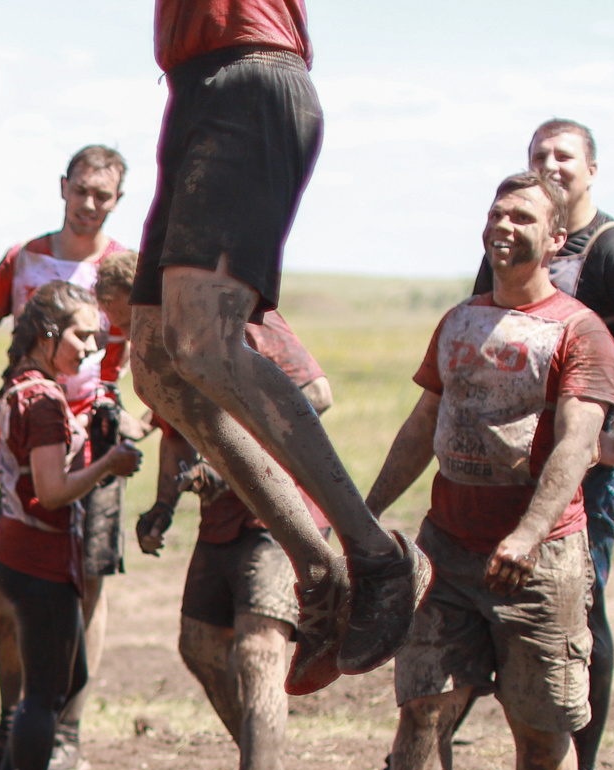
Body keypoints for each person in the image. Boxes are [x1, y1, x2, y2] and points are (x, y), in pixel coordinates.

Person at [339, 118, 614, 770]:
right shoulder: (513, 241)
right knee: (459, 611)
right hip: (487, 473)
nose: (551, 164)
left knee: (574, 620)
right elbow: (475, 334)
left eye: (565, 155)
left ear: (593, 169)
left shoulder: (612, 246)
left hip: (577, 468)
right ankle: (406, 768)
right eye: (539, 155)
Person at [342, 173, 614, 770]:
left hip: (540, 564)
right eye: (496, 210)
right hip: (448, 554)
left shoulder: (579, 331)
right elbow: (421, 426)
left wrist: (527, 535)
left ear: (555, 238)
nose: (503, 222)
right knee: (422, 712)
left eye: (522, 215)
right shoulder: (460, 322)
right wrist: (364, 515)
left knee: (540, 730)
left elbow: (576, 446)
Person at [126, 0, 429, 700]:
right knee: (158, 364)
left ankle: (377, 554)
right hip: (195, 88)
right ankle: (318, 570)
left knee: (205, 340)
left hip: (251, 80)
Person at [0, 145, 131, 770]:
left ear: (118, 201)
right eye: (81, 190)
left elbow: (150, 341)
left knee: (88, 583)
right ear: (63, 187)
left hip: (98, 433)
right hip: (29, 428)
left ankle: (65, 729)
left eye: (103, 196)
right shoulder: (23, 258)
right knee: (13, 583)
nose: (89, 205)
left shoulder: (123, 267)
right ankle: (13, 721)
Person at [155, 309, 331, 770]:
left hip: (279, 515)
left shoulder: (251, 321)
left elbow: (316, 394)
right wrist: (163, 504)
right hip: (221, 521)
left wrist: (234, 458)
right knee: (200, 645)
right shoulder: (166, 333)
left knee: (259, 653)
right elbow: (172, 432)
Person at [0, 281, 142, 770]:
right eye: (81, 335)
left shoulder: (20, 388)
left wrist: (91, 447)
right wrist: (110, 464)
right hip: (39, 557)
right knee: (46, 692)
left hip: (16, 551)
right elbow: (50, 492)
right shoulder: (45, 400)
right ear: (47, 334)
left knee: (65, 677)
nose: (90, 349)